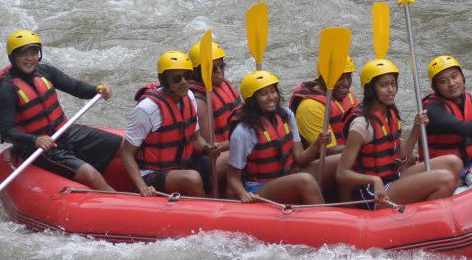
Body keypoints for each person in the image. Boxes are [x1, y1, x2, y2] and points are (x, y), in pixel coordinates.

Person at [0, 29, 120, 191]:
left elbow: (76, 88)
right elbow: (7, 131)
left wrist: (97, 89)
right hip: (41, 148)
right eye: (24, 54)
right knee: (90, 174)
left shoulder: (46, 72)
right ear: (13, 57)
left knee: (120, 144)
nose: (30, 58)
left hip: (65, 132)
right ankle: (123, 202)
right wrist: (35, 140)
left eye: (34, 53)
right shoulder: (5, 89)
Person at [336, 59, 461, 209]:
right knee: (445, 179)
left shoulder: (390, 113)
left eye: (393, 84)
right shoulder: (361, 125)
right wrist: (374, 180)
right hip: (371, 192)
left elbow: (401, 157)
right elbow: (342, 174)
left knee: (454, 162)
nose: (391, 90)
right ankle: (422, 218)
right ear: (370, 89)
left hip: (393, 177)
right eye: (384, 85)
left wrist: (416, 129)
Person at [120, 50, 221, 198]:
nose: (184, 82)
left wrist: (208, 148)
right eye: (177, 78)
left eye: (187, 76)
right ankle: (207, 211)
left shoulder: (190, 97)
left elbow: (195, 138)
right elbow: (126, 153)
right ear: (164, 81)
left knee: (225, 161)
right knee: (192, 178)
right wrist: (142, 186)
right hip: (152, 173)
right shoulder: (147, 109)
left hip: (182, 164)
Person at [227, 70, 328, 205]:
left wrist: (317, 144)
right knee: (306, 180)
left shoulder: (286, 114)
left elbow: (300, 158)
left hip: (288, 176)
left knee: (337, 161)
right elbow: (233, 177)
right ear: (252, 100)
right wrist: (243, 195)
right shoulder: (243, 132)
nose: (271, 97)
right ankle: (323, 220)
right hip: (260, 188)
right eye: (263, 94)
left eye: (273, 91)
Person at [187, 40, 242, 190]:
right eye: (212, 68)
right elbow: (210, 148)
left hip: (228, 148)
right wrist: (246, 140)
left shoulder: (224, 84)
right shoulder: (198, 101)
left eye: (221, 66)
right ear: (198, 72)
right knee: (247, 151)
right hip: (206, 162)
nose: (219, 71)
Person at [289, 56, 358, 154]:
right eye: (340, 78)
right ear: (325, 78)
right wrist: (362, 144)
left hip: (347, 153)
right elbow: (327, 152)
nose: (346, 83)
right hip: (320, 163)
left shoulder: (349, 97)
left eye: (349, 76)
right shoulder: (310, 107)